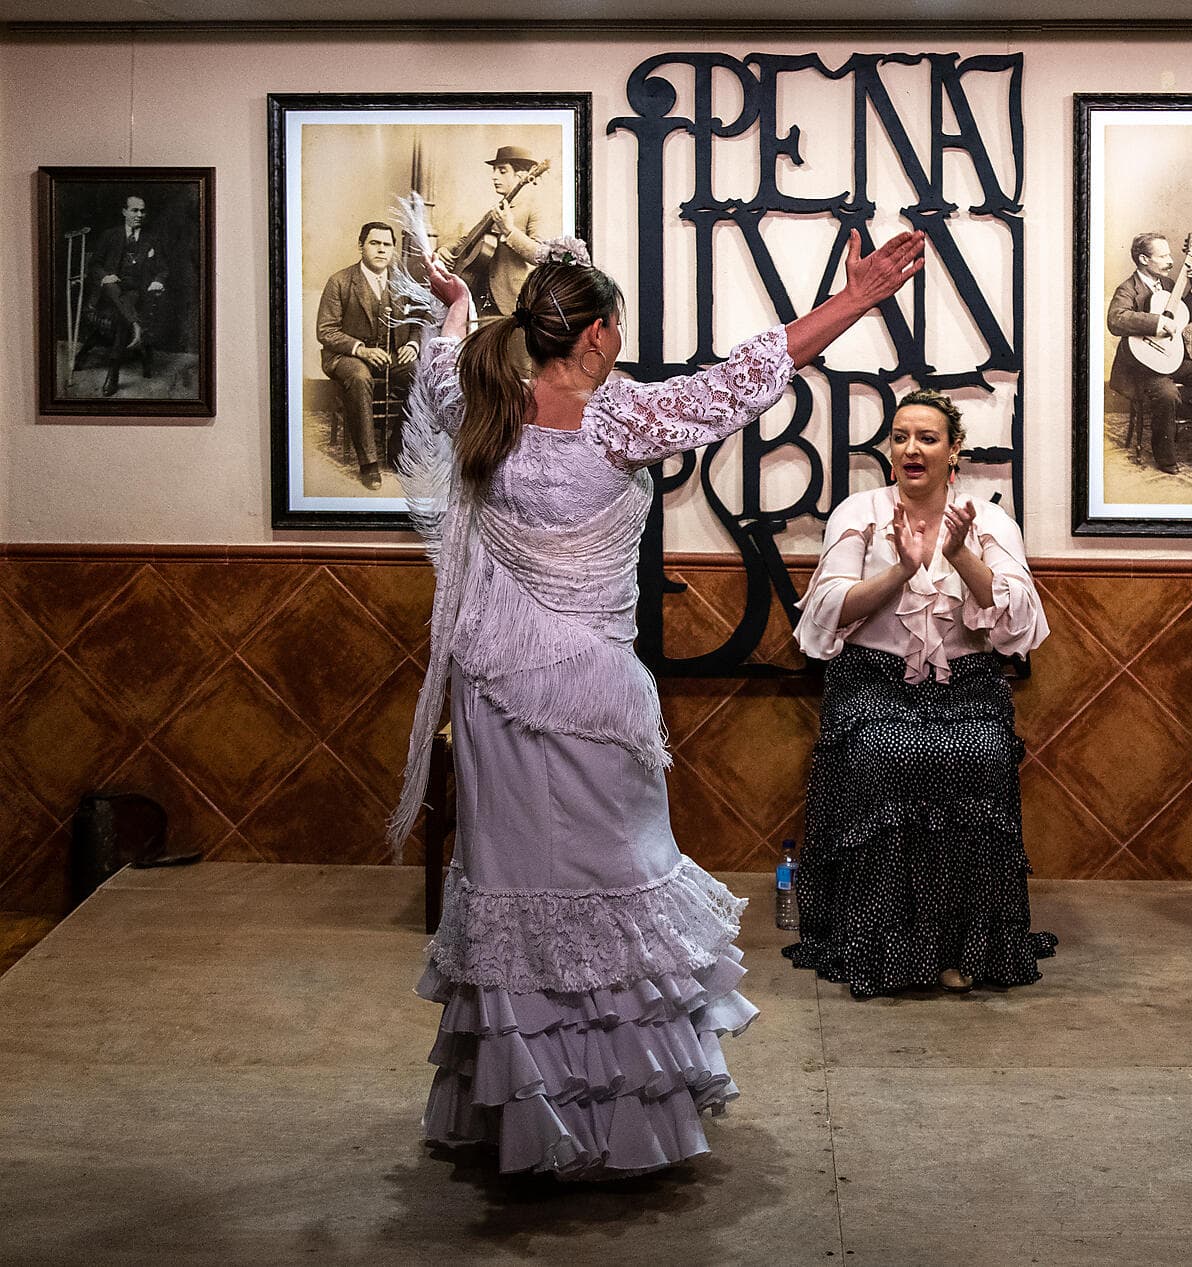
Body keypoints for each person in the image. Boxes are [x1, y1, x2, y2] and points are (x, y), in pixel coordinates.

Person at [390, 223, 926, 1177]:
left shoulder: (480, 399)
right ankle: (609, 1123)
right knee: (608, 885)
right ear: (593, 336)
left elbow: (438, 359)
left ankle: (524, 1113)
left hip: (493, 690)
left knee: (515, 893)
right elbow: (753, 374)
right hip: (589, 696)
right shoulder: (621, 418)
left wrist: (455, 305)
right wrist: (860, 299)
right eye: (616, 327)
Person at [783, 388, 1055, 997]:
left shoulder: (986, 521)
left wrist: (959, 555)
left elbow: (1016, 621)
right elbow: (828, 609)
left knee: (980, 756)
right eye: (901, 436)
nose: (911, 449)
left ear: (953, 451)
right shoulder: (860, 513)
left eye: (927, 438)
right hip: (873, 683)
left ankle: (963, 948)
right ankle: (884, 948)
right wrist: (902, 570)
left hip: (967, 687)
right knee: (886, 751)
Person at [1106, 232, 1192, 475]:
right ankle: (1166, 458)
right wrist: (1157, 323)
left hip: (1170, 355)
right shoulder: (1127, 289)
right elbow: (1116, 320)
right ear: (1144, 259)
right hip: (1141, 366)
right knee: (1168, 394)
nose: (1170, 260)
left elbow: (1180, 315)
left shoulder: (1168, 285)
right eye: (1163, 256)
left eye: (1170, 254)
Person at [317, 222, 421, 489]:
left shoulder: (402, 282)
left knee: (421, 376)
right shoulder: (339, 281)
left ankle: (398, 446)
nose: (381, 250)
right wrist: (360, 349)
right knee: (360, 378)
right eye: (375, 243)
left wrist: (412, 343)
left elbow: (419, 318)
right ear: (361, 246)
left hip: (390, 356)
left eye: (387, 245)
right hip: (347, 357)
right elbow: (326, 331)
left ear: (393, 250)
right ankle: (369, 463)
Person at [437, 145, 546, 320]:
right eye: (494, 170)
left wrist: (509, 230)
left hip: (512, 303)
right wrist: (445, 249)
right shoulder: (495, 210)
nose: (494, 176)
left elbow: (540, 256)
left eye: (502, 171)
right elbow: (467, 239)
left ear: (521, 176)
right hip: (478, 299)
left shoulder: (535, 208)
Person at [85, 194, 167, 397]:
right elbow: (94, 265)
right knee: (115, 292)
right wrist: (105, 276)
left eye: (142, 211)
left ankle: (113, 374)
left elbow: (163, 268)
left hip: (136, 292)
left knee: (124, 311)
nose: (139, 214)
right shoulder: (109, 235)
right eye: (134, 210)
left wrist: (158, 280)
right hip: (110, 291)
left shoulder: (152, 238)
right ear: (124, 211)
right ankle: (136, 326)